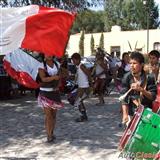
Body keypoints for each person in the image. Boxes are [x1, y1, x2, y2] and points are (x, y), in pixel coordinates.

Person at [120, 52, 157, 125]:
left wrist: (141, 90)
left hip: (146, 112)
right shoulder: (126, 77)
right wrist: (125, 114)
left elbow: (152, 97)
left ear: (142, 64)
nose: (131, 66)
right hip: (131, 113)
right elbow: (124, 98)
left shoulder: (149, 78)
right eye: (130, 63)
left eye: (134, 63)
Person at [38, 54, 63, 142]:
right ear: (44, 54)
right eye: (47, 53)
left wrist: (58, 84)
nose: (49, 55)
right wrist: (54, 77)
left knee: (54, 115)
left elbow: (60, 76)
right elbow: (43, 79)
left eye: (50, 53)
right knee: (48, 115)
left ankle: (51, 132)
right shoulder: (41, 65)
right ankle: (48, 135)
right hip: (45, 92)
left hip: (55, 92)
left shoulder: (57, 64)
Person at [71, 53, 91, 122]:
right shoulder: (78, 66)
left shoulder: (81, 66)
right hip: (81, 86)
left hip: (84, 87)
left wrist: (91, 85)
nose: (73, 62)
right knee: (79, 101)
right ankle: (84, 116)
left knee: (77, 101)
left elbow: (88, 74)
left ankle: (83, 116)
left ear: (78, 59)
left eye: (74, 60)